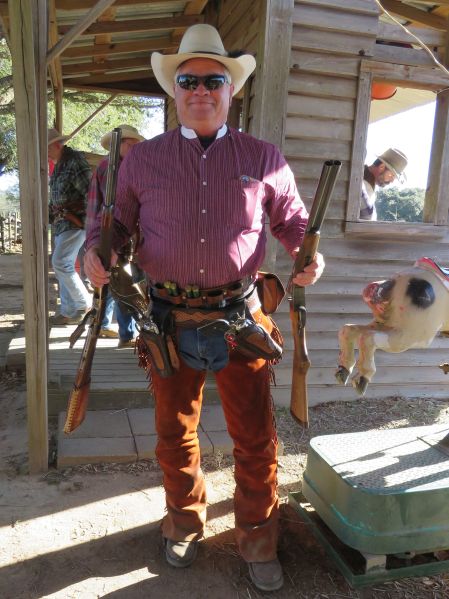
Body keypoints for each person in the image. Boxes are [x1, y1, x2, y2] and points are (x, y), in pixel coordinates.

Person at [84, 24, 324, 592]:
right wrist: (95, 255)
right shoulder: (142, 161)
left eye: (212, 80)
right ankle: (185, 522)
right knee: (174, 434)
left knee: (255, 438)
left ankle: (258, 536)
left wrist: (309, 256)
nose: (200, 90)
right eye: (188, 80)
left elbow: (294, 222)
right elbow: (113, 227)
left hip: (241, 317)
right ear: (174, 89)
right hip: (166, 320)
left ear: (230, 89)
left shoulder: (263, 157)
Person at [86, 124, 145, 347]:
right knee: (122, 283)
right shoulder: (108, 168)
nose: (135, 148)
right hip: (112, 235)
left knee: (118, 281)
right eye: (131, 144)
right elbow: (103, 208)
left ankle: (114, 328)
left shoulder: (126, 167)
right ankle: (126, 334)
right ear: (120, 144)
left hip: (123, 236)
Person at [48, 128, 92, 325]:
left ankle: (84, 304)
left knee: (61, 262)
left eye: (47, 148)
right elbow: (56, 197)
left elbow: (91, 194)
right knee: (62, 266)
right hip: (62, 223)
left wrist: (87, 221)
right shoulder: (59, 165)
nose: (46, 153)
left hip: (75, 222)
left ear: (57, 145)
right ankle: (68, 311)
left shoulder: (75, 161)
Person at [360, 147, 408, 220]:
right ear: (381, 167)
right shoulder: (362, 184)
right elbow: (368, 219)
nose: (392, 181)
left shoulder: (366, 182)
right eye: (391, 175)